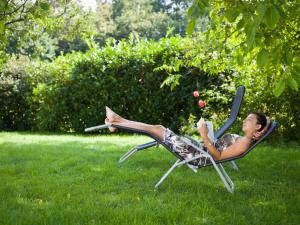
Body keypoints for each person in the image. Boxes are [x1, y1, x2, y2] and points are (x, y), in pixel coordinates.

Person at [105, 106, 269, 165]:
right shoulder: (244, 139)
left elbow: (218, 157)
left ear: (257, 126)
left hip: (198, 156)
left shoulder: (244, 143)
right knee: (157, 128)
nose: (244, 122)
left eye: (249, 120)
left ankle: (117, 122)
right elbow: (267, 121)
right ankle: (117, 122)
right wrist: (207, 135)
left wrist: (204, 135)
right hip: (199, 150)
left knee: (157, 129)